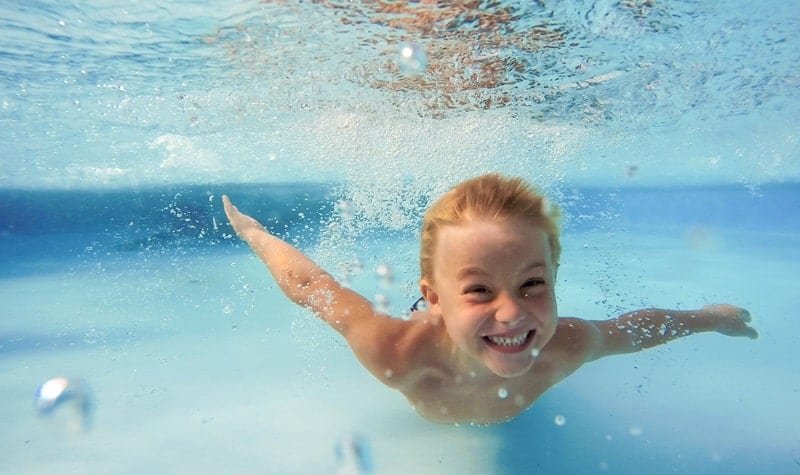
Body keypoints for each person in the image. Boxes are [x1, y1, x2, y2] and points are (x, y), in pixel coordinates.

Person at [221, 173, 757, 424]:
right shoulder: (396, 351)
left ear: (556, 276)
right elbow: (315, 290)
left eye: (532, 284)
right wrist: (254, 234)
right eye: (480, 289)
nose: (513, 312)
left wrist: (709, 318)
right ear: (431, 298)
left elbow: (636, 328)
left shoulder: (567, 345)